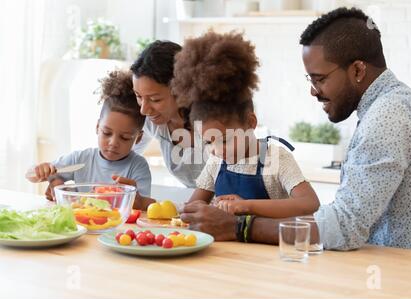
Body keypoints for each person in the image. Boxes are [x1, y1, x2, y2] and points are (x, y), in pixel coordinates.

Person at [180, 7, 411, 254]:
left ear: (357, 70)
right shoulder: (397, 103)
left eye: (319, 79)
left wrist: (240, 227)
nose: (313, 90)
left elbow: (344, 227)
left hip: (404, 278)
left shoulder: (387, 116)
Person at [171, 31, 320, 219]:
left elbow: (310, 203)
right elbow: (193, 206)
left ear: (251, 123)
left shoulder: (276, 158)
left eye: (224, 140)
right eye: (209, 142)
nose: (217, 150)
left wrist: (246, 206)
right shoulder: (216, 163)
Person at [26, 70, 152, 204]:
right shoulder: (80, 159)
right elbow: (30, 176)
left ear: (138, 138)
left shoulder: (138, 166)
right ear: (97, 127)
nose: (113, 143)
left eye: (125, 137)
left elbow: (145, 206)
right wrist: (48, 175)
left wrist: (134, 198)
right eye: (107, 133)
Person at [130, 40, 206, 189]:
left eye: (155, 99)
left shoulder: (211, 121)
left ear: (181, 90)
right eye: (139, 96)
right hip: (195, 204)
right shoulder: (153, 120)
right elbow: (126, 154)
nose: (144, 110)